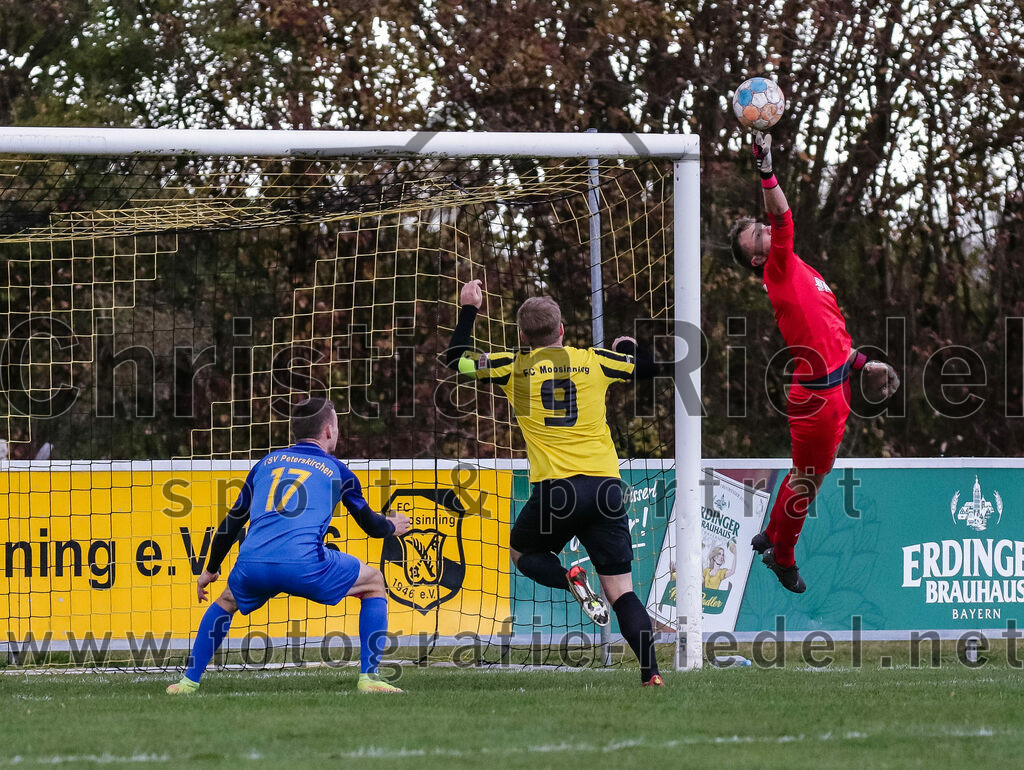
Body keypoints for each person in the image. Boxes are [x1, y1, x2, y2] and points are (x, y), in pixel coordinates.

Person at [444, 281, 665, 687]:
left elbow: (456, 359)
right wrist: (631, 346)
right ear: (562, 329)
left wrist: (469, 308)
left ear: (522, 335)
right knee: (621, 592)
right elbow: (652, 369)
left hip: (557, 491)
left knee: (522, 551)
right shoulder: (595, 360)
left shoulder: (512, 365)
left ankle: (568, 578)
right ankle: (651, 673)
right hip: (605, 489)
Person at [728, 132, 899, 593]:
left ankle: (771, 533)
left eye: (761, 227)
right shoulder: (778, 266)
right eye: (758, 235)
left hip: (829, 388)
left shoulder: (797, 267)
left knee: (804, 473)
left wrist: (862, 365)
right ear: (758, 258)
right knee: (809, 482)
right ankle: (782, 557)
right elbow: (782, 215)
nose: (766, 229)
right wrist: (766, 170)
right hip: (819, 400)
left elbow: (829, 335)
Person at [166, 397, 411, 695]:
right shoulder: (338, 471)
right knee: (374, 583)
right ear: (328, 431)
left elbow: (232, 521)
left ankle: (188, 682)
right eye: (337, 426)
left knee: (225, 602)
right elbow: (371, 526)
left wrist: (210, 569)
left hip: (254, 564)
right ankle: (369, 678)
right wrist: (392, 525)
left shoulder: (266, 463)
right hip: (304, 565)